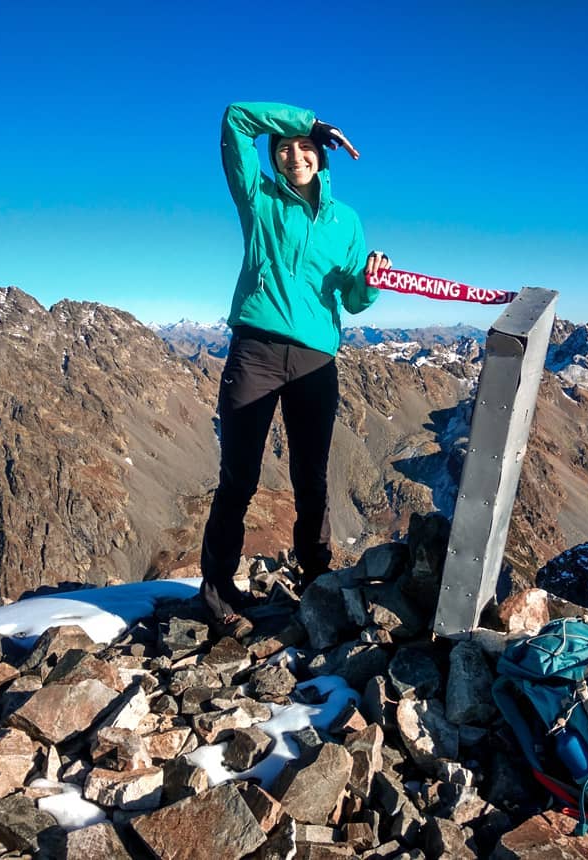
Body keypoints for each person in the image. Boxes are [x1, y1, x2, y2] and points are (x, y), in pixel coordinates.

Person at [201, 101, 392, 636]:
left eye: (305, 147)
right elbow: (236, 118)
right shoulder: (258, 199)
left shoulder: (346, 220)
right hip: (256, 350)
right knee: (238, 474)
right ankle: (217, 590)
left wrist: (371, 281)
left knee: (311, 475)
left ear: (321, 160)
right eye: (284, 147)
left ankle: (316, 576)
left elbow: (352, 300)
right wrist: (307, 122)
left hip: (314, 359)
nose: (294, 154)